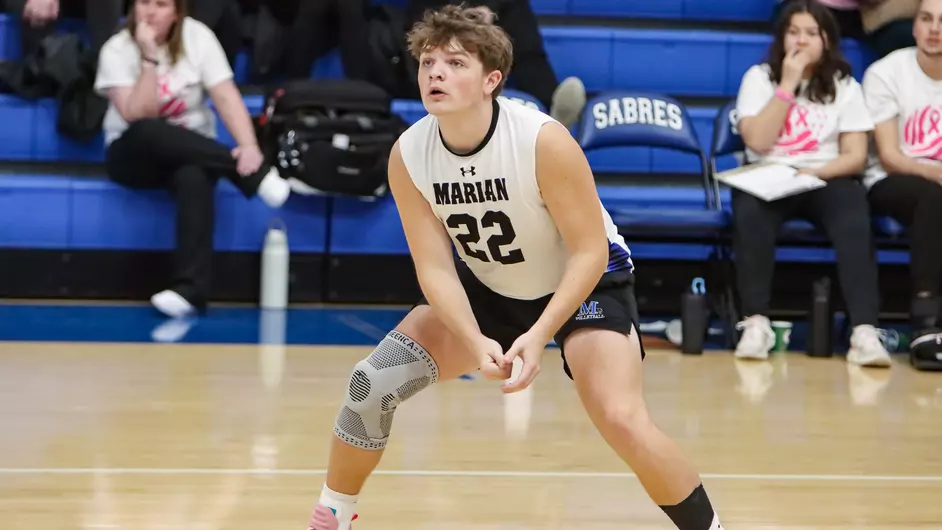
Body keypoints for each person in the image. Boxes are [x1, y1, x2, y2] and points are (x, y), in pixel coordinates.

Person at [306, 5, 723, 530]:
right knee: (370, 383)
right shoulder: (407, 154)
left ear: (491, 80)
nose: (435, 72)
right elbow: (435, 270)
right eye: (428, 61)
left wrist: (540, 333)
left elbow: (590, 252)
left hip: (585, 284)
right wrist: (475, 340)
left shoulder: (542, 140)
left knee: (620, 416)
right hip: (491, 285)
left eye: (455, 62)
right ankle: (333, 516)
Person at [94, 0, 308, 318]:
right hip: (133, 153)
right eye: (143, 2)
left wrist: (249, 146)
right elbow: (137, 113)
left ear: (178, 12)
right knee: (149, 130)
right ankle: (249, 175)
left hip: (191, 153)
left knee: (194, 175)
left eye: (161, 4)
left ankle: (189, 291)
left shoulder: (198, 38)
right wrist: (149, 56)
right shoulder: (117, 48)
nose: (150, 12)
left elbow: (225, 95)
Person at [732, 0, 890, 365]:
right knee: (749, 210)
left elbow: (854, 155)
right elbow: (756, 140)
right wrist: (787, 85)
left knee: (854, 213)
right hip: (768, 174)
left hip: (824, 176)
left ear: (826, 40)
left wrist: (813, 173)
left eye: (810, 33)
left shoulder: (844, 85)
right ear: (781, 38)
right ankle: (755, 323)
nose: (800, 41)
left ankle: (864, 331)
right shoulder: (759, 78)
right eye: (793, 32)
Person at [862, 0, 942, 369]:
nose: (934, 29)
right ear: (913, 27)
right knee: (932, 197)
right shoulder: (887, 72)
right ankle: (926, 323)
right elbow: (891, 156)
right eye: (926, 19)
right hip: (892, 181)